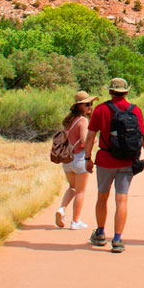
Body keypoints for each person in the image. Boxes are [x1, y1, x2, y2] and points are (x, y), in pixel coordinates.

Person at [84, 78, 144, 253]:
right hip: (127, 161)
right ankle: (117, 239)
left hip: (106, 160)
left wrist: (87, 158)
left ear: (110, 91)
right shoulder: (135, 110)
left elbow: (91, 137)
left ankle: (100, 233)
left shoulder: (100, 110)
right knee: (121, 200)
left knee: (102, 197)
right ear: (127, 92)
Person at [55, 91, 97, 230]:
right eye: (87, 104)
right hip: (79, 159)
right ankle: (75, 221)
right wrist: (94, 141)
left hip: (67, 159)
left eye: (91, 104)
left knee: (72, 187)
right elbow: (85, 141)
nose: (90, 106)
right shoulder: (83, 121)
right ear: (79, 106)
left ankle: (61, 209)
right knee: (80, 191)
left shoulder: (68, 121)